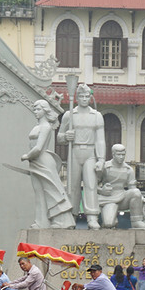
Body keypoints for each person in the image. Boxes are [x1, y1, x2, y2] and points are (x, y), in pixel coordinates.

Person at [22, 97, 76, 228]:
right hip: (35, 162)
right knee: (39, 192)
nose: (35, 111)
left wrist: (26, 156)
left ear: (45, 111)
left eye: (38, 109)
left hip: (43, 161)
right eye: (34, 109)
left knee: (52, 191)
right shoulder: (38, 126)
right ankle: (41, 222)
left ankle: (63, 221)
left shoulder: (46, 127)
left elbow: (39, 148)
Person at [57, 83, 106, 223]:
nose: (84, 99)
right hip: (74, 152)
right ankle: (71, 216)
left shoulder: (97, 116)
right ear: (77, 97)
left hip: (90, 153)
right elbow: (59, 137)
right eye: (81, 96)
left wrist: (101, 159)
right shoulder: (69, 115)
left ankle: (92, 217)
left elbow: (100, 140)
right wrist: (66, 136)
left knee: (91, 185)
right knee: (73, 186)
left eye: (87, 96)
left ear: (90, 97)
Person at [94, 144, 145, 229]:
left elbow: (132, 188)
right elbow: (92, 186)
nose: (121, 157)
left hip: (122, 198)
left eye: (123, 154)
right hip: (108, 199)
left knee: (136, 192)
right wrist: (102, 190)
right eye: (119, 154)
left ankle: (136, 221)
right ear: (113, 154)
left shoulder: (128, 170)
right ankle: (112, 220)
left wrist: (140, 198)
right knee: (109, 224)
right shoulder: (105, 167)